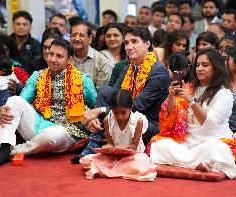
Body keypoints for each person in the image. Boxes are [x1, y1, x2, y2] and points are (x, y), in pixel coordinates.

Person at [0, 38, 97, 167]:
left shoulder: (83, 80)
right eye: (51, 54)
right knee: (14, 100)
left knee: (50, 136)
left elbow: (95, 104)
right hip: (39, 124)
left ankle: (15, 150)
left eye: (59, 56)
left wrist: (92, 117)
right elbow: (23, 101)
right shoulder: (37, 76)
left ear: (69, 60)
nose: (53, 59)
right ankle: (5, 147)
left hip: (68, 131)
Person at [71, 25, 170, 163]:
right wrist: (98, 112)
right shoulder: (127, 68)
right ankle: (96, 139)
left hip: (149, 124)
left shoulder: (158, 72)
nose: (129, 47)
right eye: (127, 43)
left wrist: (99, 110)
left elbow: (137, 106)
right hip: (124, 118)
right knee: (105, 90)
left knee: (133, 117)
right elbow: (113, 98)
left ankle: (94, 142)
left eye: (134, 41)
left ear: (147, 44)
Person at [149, 48, 236, 179]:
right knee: (159, 145)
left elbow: (209, 123)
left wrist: (191, 101)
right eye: (197, 65)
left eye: (205, 65)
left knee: (216, 148)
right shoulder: (190, 88)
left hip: (209, 141)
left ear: (216, 68)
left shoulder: (224, 94)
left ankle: (190, 163)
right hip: (187, 143)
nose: (199, 69)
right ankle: (198, 164)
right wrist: (171, 96)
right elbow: (171, 116)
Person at [80, 89, 156, 181]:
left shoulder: (138, 121)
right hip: (115, 157)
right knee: (88, 159)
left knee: (141, 162)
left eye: (123, 113)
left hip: (133, 157)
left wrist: (124, 147)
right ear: (111, 110)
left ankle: (113, 169)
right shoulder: (107, 120)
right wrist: (108, 147)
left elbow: (134, 146)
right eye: (116, 113)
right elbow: (110, 143)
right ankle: (118, 169)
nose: (119, 117)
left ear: (131, 108)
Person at [70, 21, 112, 90]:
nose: (77, 39)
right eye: (74, 35)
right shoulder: (65, 57)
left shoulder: (101, 61)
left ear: (89, 39)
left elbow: (101, 93)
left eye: (81, 35)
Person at [10, 10, 41, 75]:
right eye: (18, 24)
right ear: (13, 26)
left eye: (25, 24)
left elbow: (36, 68)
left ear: (30, 27)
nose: (21, 27)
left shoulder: (36, 46)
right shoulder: (6, 43)